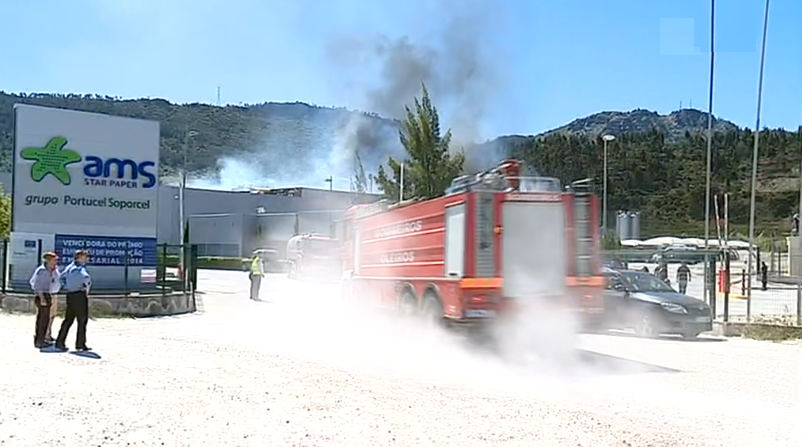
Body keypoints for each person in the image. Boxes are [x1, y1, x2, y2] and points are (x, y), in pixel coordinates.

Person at [55, 250, 92, 352]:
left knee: (68, 319)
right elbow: (86, 277)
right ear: (80, 257)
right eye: (85, 257)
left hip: (70, 294)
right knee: (82, 320)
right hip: (79, 295)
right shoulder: (80, 268)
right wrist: (87, 286)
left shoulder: (69, 267)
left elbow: (61, 278)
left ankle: (60, 341)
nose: (87, 259)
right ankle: (80, 344)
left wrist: (66, 286)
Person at [30, 252, 61, 349]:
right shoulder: (42, 271)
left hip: (47, 295)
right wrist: (42, 298)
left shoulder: (51, 270)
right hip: (42, 296)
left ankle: (42, 339)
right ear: (48, 260)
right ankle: (40, 341)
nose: (56, 261)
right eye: (54, 259)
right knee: (42, 320)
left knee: (46, 319)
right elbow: (38, 286)